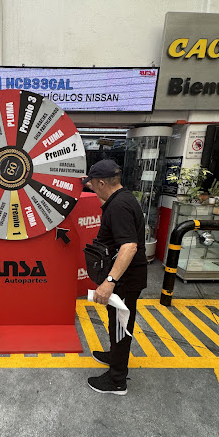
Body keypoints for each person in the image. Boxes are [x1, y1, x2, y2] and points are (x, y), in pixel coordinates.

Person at [82, 159, 147, 395]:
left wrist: (109, 282)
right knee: (116, 323)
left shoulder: (119, 206)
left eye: (92, 183)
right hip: (124, 278)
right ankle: (114, 356)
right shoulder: (121, 198)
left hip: (124, 280)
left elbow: (129, 246)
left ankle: (117, 380)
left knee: (121, 326)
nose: (90, 187)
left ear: (102, 183)